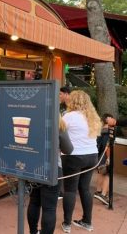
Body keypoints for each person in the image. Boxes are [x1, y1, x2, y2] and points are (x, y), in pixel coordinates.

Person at [60, 90, 102, 233]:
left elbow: (59, 134)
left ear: (73, 101)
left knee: (70, 190)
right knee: (84, 189)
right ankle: (87, 222)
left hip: (74, 157)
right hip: (92, 156)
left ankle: (67, 224)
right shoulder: (93, 117)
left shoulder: (68, 116)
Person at [27, 115, 73, 234]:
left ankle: (33, 232)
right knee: (49, 208)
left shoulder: (32, 119)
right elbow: (68, 149)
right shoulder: (58, 124)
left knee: (34, 202)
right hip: (53, 168)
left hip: (33, 167)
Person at [93, 113, 113, 206]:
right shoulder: (109, 132)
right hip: (105, 155)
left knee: (100, 172)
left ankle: (98, 191)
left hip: (98, 155)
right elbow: (107, 146)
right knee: (107, 175)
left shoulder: (100, 130)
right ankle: (103, 195)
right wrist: (109, 157)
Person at [58, 86, 71, 199]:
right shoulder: (64, 107)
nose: (59, 96)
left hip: (69, 141)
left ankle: (61, 191)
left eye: (60, 94)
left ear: (66, 94)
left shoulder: (71, 109)